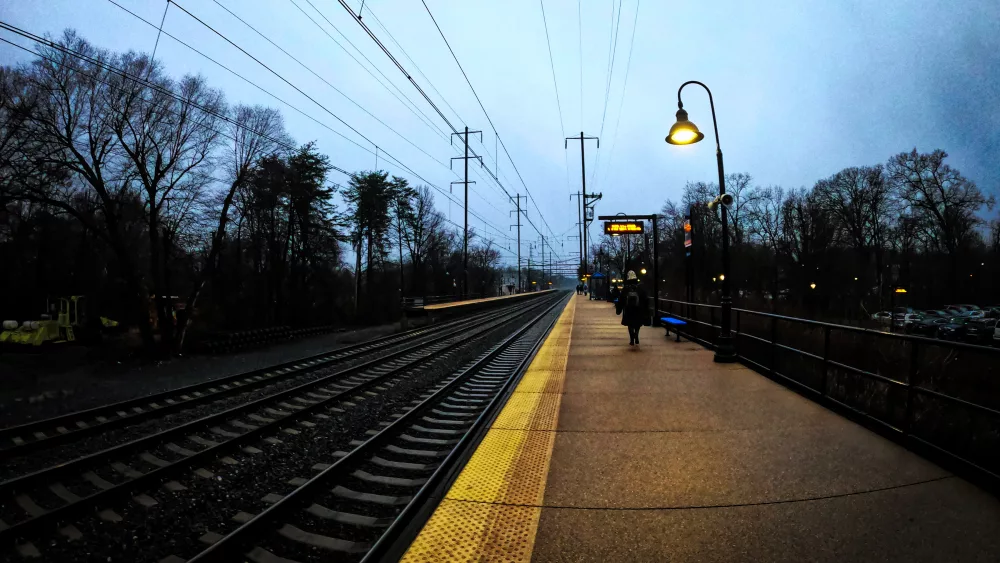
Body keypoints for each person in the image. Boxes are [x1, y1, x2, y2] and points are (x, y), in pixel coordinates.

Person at [617, 270, 648, 346]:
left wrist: (619, 310)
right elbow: (645, 299)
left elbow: (621, 299)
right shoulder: (640, 289)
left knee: (630, 324)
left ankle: (632, 339)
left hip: (628, 310)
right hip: (638, 309)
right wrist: (646, 310)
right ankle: (636, 335)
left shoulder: (626, 289)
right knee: (637, 324)